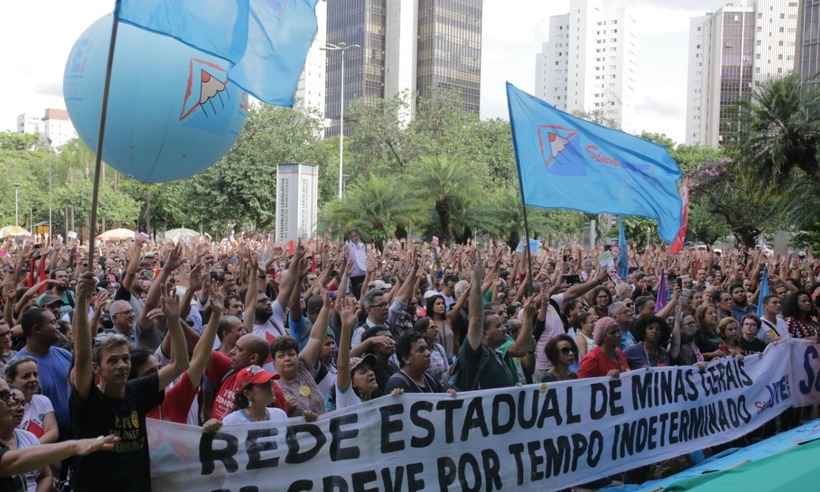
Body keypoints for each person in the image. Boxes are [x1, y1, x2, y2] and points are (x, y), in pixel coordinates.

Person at [69, 273, 189, 492]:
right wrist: (80, 303)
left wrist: (173, 321)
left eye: (125, 359)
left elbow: (180, 364)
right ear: (98, 369)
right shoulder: (88, 398)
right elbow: (83, 356)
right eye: (112, 361)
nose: (122, 365)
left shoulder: (137, 390)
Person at [455, 255, 534, 390]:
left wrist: (528, 319)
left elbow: (522, 350)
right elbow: (475, 320)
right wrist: (476, 281)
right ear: (483, 333)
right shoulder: (476, 353)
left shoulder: (496, 353)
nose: (504, 328)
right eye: (498, 326)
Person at [12, 308, 71, 439]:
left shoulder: (65, 355)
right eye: (52, 322)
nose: (57, 327)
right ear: (37, 329)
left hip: (74, 433)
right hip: (44, 441)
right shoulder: (17, 365)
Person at [203, 366, 288, 430]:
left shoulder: (280, 415)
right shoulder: (231, 422)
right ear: (247, 394)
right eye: (264, 385)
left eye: (270, 383)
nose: (271, 388)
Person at [1, 388, 51, 492]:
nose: (21, 409)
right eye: (15, 403)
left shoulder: (30, 437)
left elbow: (46, 476)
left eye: (23, 404)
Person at [335, 297, 380, 409]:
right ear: (352, 383)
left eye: (369, 369)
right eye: (362, 372)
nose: (370, 373)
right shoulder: (347, 399)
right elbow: (342, 367)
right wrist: (346, 328)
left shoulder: (376, 403)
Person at [5, 358, 57, 443]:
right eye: (26, 376)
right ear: (10, 381)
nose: (33, 379)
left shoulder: (43, 400)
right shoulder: (5, 406)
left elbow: (52, 432)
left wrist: (30, 450)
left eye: (35, 375)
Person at [414, 318, 449, 386]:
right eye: (432, 327)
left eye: (436, 327)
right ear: (423, 332)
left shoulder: (439, 348)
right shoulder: (417, 352)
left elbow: (446, 370)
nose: (436, 330)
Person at [345, 231, 368, 299]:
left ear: (359, 236)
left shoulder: (363, 246)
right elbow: (346, 259)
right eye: (353, 236)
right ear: (350, 238)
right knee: (357, 295)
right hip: (354, 275)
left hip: (364, 274)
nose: (355, 238)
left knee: (364, 293)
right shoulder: (348, 247)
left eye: (356, 236)